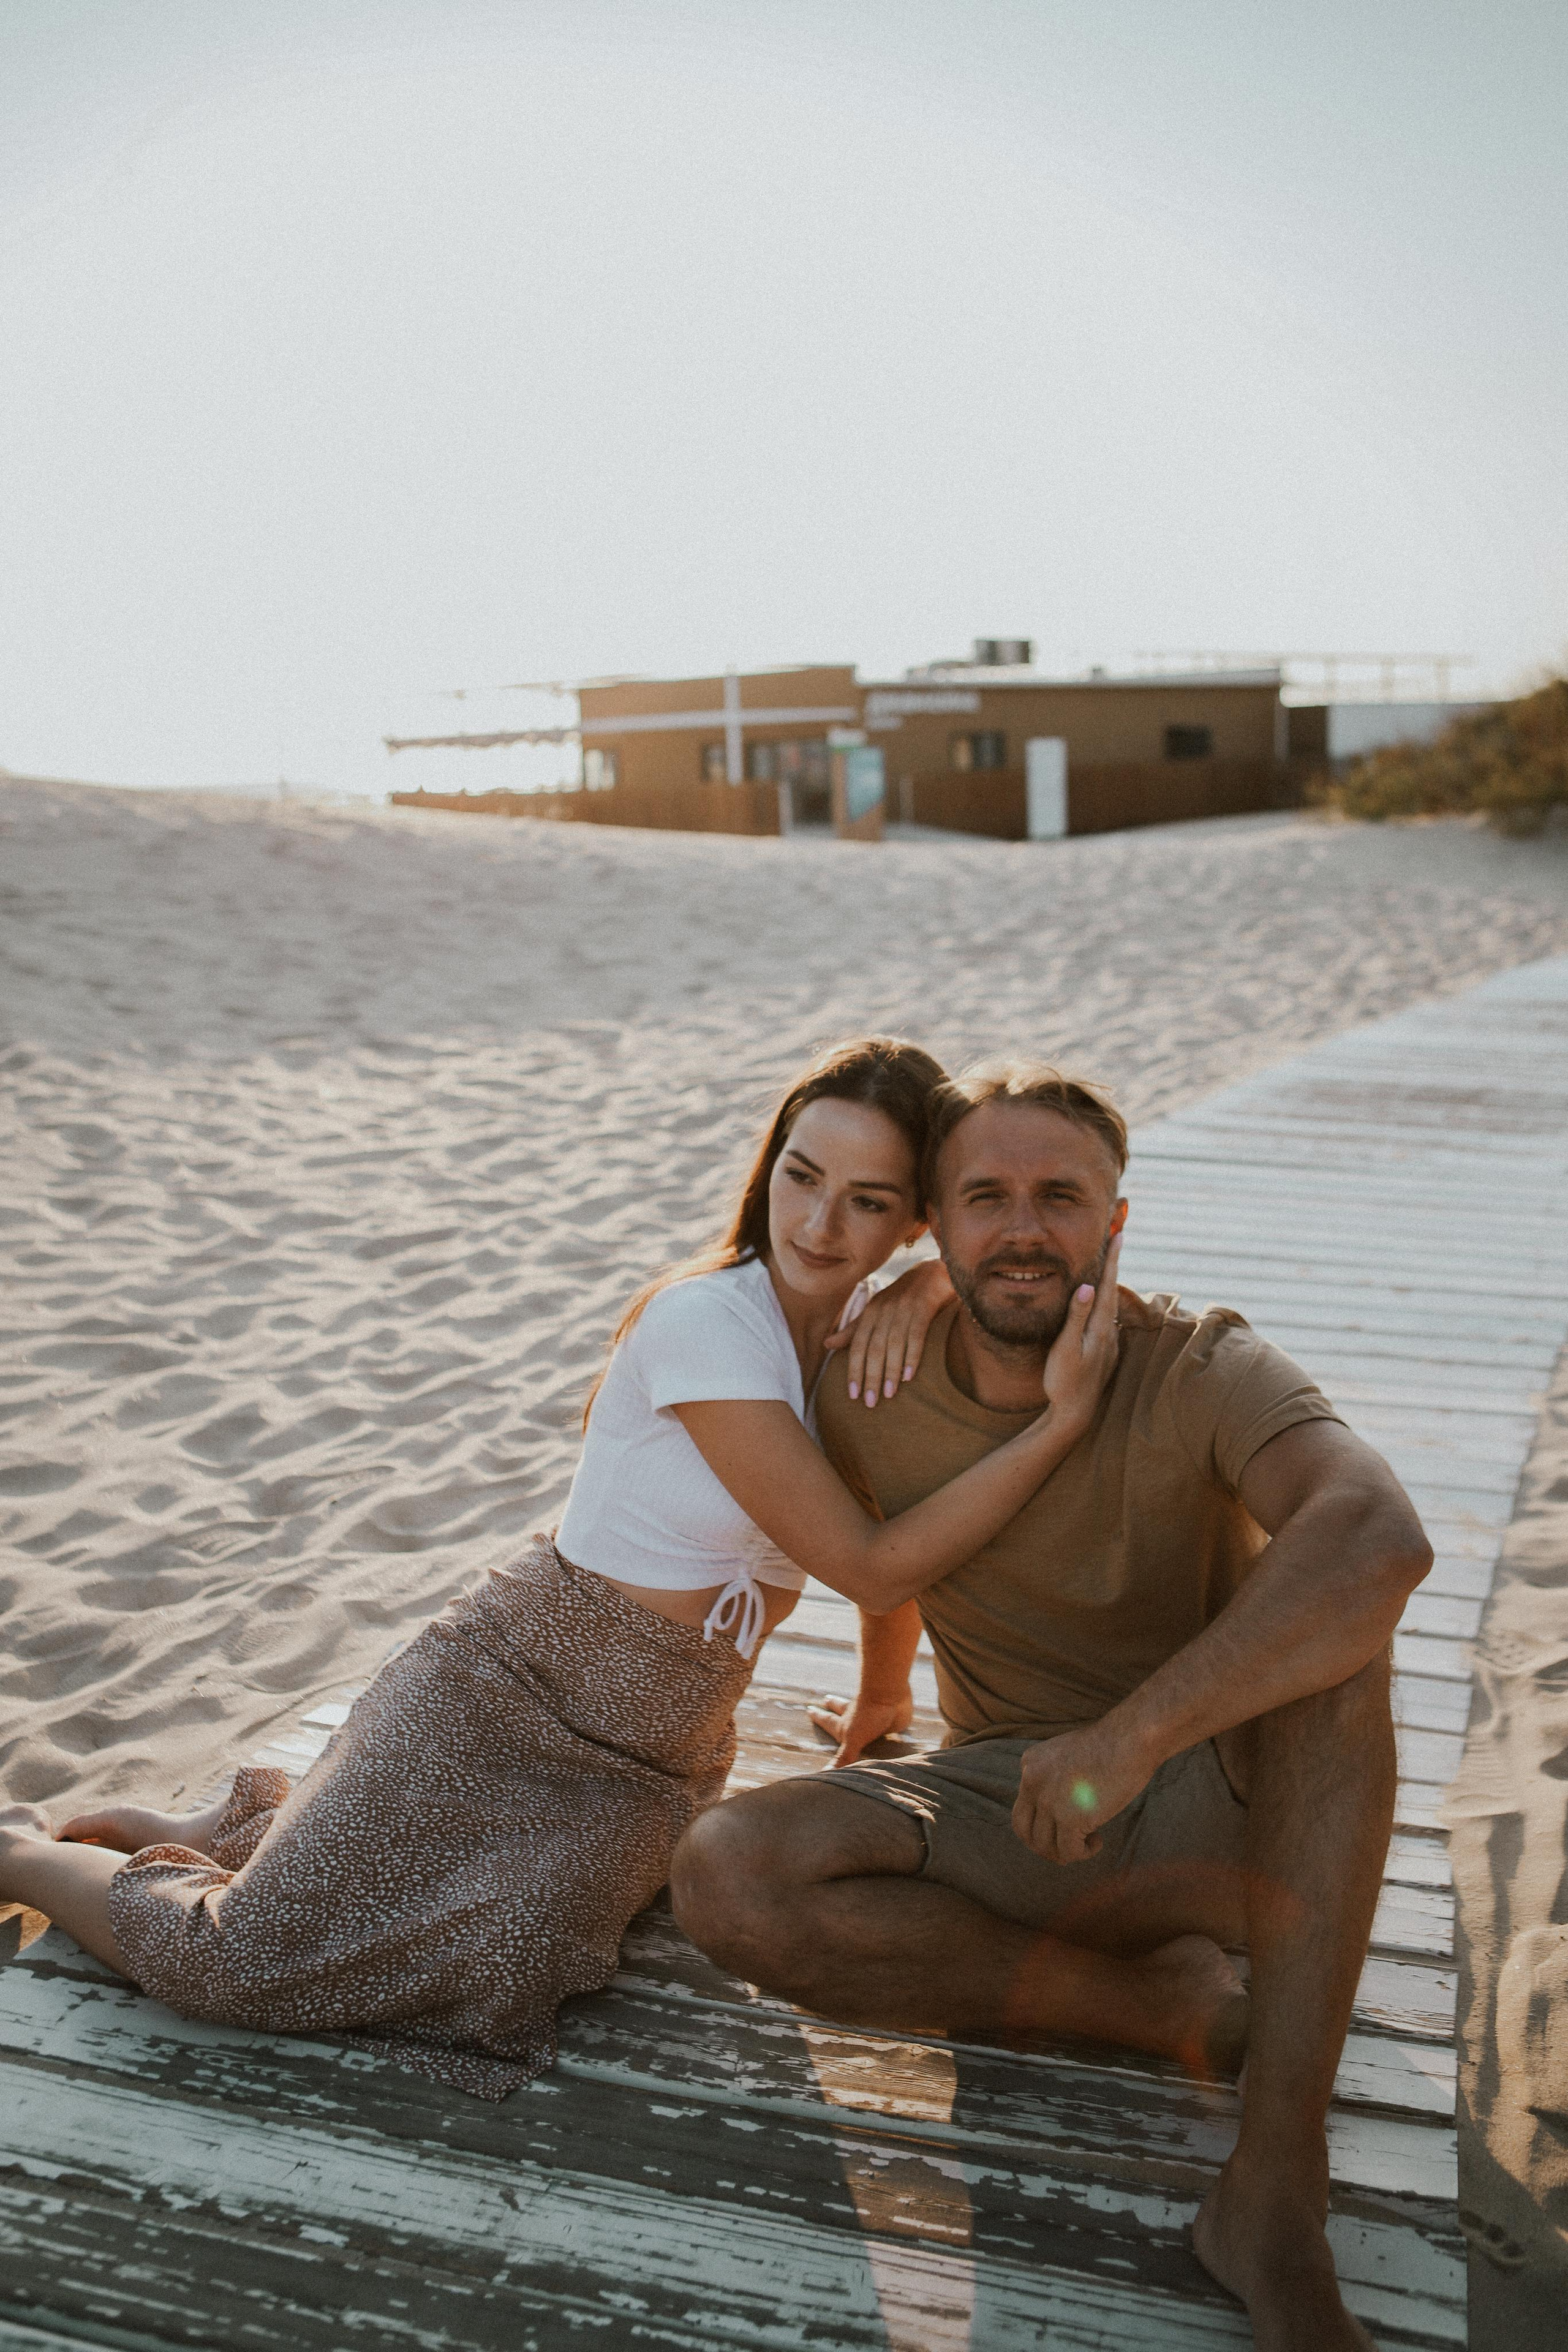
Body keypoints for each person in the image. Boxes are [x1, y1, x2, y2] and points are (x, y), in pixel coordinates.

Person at [0, 1038, 1121, 2099]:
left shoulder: (875, 1345)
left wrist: (881, 1703)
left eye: (870, 1201)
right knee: (236, 1966)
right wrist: (1055, 1426)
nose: (821, 1223)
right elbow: (872, 1564)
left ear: (918, 1218)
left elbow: (904, 1518)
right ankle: (25, 1857)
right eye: (801, 1175)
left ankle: (263, 1831)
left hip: (655, 1758)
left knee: (520, 1952)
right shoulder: (706, 1325)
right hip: (506, 1687)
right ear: (769, 1166)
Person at [670, 1058, 1433, 2352]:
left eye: (1058, 1198)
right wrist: (875, 1703)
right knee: (728, 1872)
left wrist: (1132, 1737)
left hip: (1211, 1795)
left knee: (1340, 1653)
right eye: (984, 1199)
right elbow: (876, 1554)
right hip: (1015, 1810)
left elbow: (1376, 1536)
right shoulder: (872, 1379)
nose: (1021, 1230)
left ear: (1115, 1219)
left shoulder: (1199, 1365)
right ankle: (1156, 2010)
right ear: (936, 1227)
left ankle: (1272, 2189)